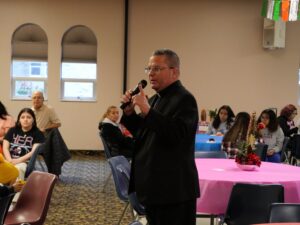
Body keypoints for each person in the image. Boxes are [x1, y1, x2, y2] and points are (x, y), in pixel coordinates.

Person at [120, 49, 199, 225]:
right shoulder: (157, 98)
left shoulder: (185, 99)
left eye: (156, 68)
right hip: (156, 187)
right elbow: (144, 134)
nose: (150, 74)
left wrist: (147, 110)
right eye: (148, 69)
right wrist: (130, 113)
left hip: (173, 190)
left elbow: (176, 135)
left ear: (174, 72)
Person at [2, 108, 45, 180]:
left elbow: (33, 152)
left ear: (33, 120)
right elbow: (5, 147)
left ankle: (18, 190)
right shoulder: (12, 130)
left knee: (18, 169)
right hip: (9, 159)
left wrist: (17, 161)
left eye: (28, 117)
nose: (25, 119)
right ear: (19, 119)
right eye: (22, 117)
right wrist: (10, 160)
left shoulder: (38, 133)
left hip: (24, 162)